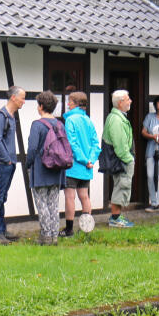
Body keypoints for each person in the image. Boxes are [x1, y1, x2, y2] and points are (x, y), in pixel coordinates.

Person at [26, 90, 68, 245]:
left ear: (41, 106)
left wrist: (28, 164)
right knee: (54, 204)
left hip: (41, 169)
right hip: (57, 170)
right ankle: (54, 236)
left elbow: (31, 149)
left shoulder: (37, 125)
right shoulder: (60, 124)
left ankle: (46, 236)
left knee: (41, 203)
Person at [0, 86, 26, 244]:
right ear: (13, 98)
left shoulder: (11, 116)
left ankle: (2, 230)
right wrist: (7, 159)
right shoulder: (1, 116)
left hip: (8, 163)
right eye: (22, 98)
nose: (23, 101)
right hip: (2, 163)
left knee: (2, 197)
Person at [61, 91, 99, 237]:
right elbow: (96, 143)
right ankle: (86, 229)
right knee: (84, 196)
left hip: (73, 166)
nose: (68, 104)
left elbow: (72, 143)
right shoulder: (88, 120)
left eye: (69, 102)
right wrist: (91, 160)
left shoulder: (70, 120)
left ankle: (69, 229)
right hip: (86, 167)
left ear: (75, 103)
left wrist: (83, 159)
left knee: (70, 197)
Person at [103, 89, 136, 228]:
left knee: (121, 185)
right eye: (128, 99)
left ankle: (116, 216)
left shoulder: (117, 116)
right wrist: (129, 159)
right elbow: (120, 145)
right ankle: (115, 219)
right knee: (121, 186)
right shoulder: (116, 119)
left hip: (121, 159)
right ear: (121, 102)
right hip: (121, 160)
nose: (130, 101)